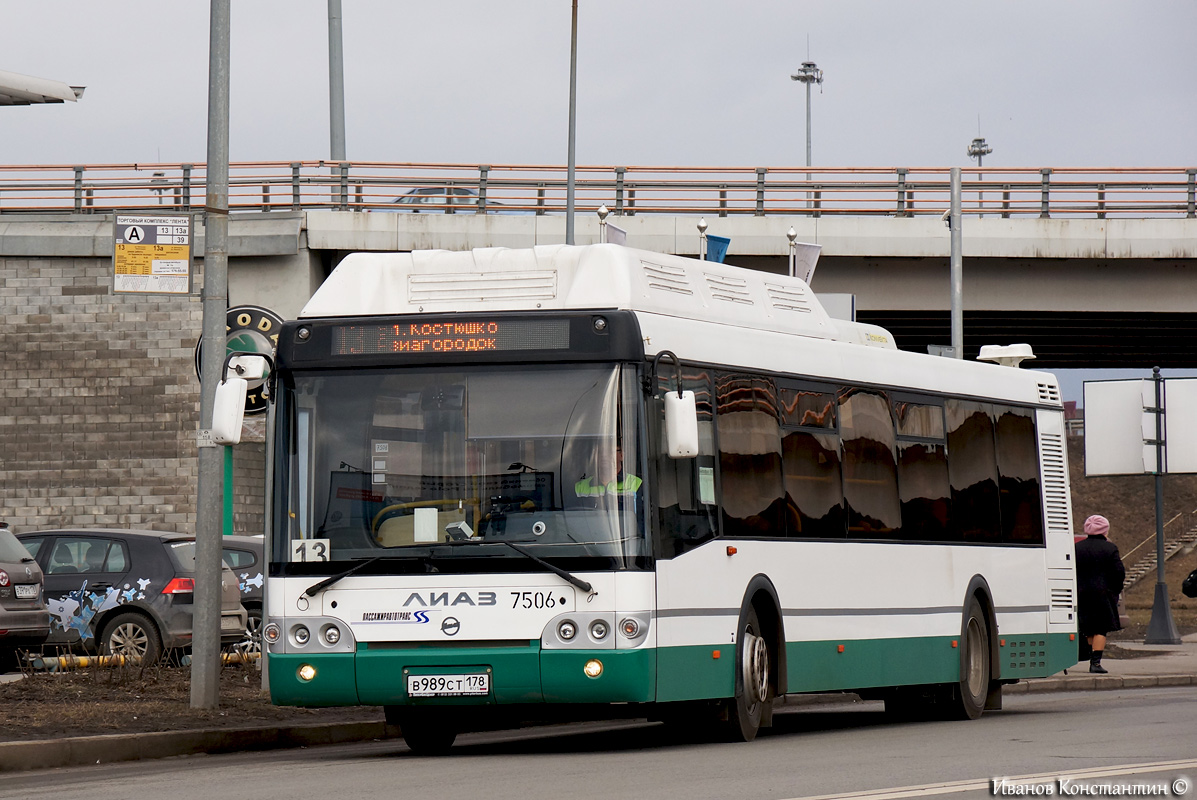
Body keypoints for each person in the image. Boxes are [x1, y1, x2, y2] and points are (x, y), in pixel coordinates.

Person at [1075, 514, 1125, 674]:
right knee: (1100, 629)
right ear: (1105, 530)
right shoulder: (1110, 548)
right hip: (1103, 593)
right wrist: (1114, 590)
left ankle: (1091, 658)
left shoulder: (1077, 548)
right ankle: (1095, 663)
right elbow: (1119, 573)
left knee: (1089, 628)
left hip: (1082, 593)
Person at [574, 441, 642, 504]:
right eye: (600, 452)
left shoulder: (636, 483)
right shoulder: (579, 487)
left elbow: (641, 514)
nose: (604, 455)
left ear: (621, 455)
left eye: (610, 451)